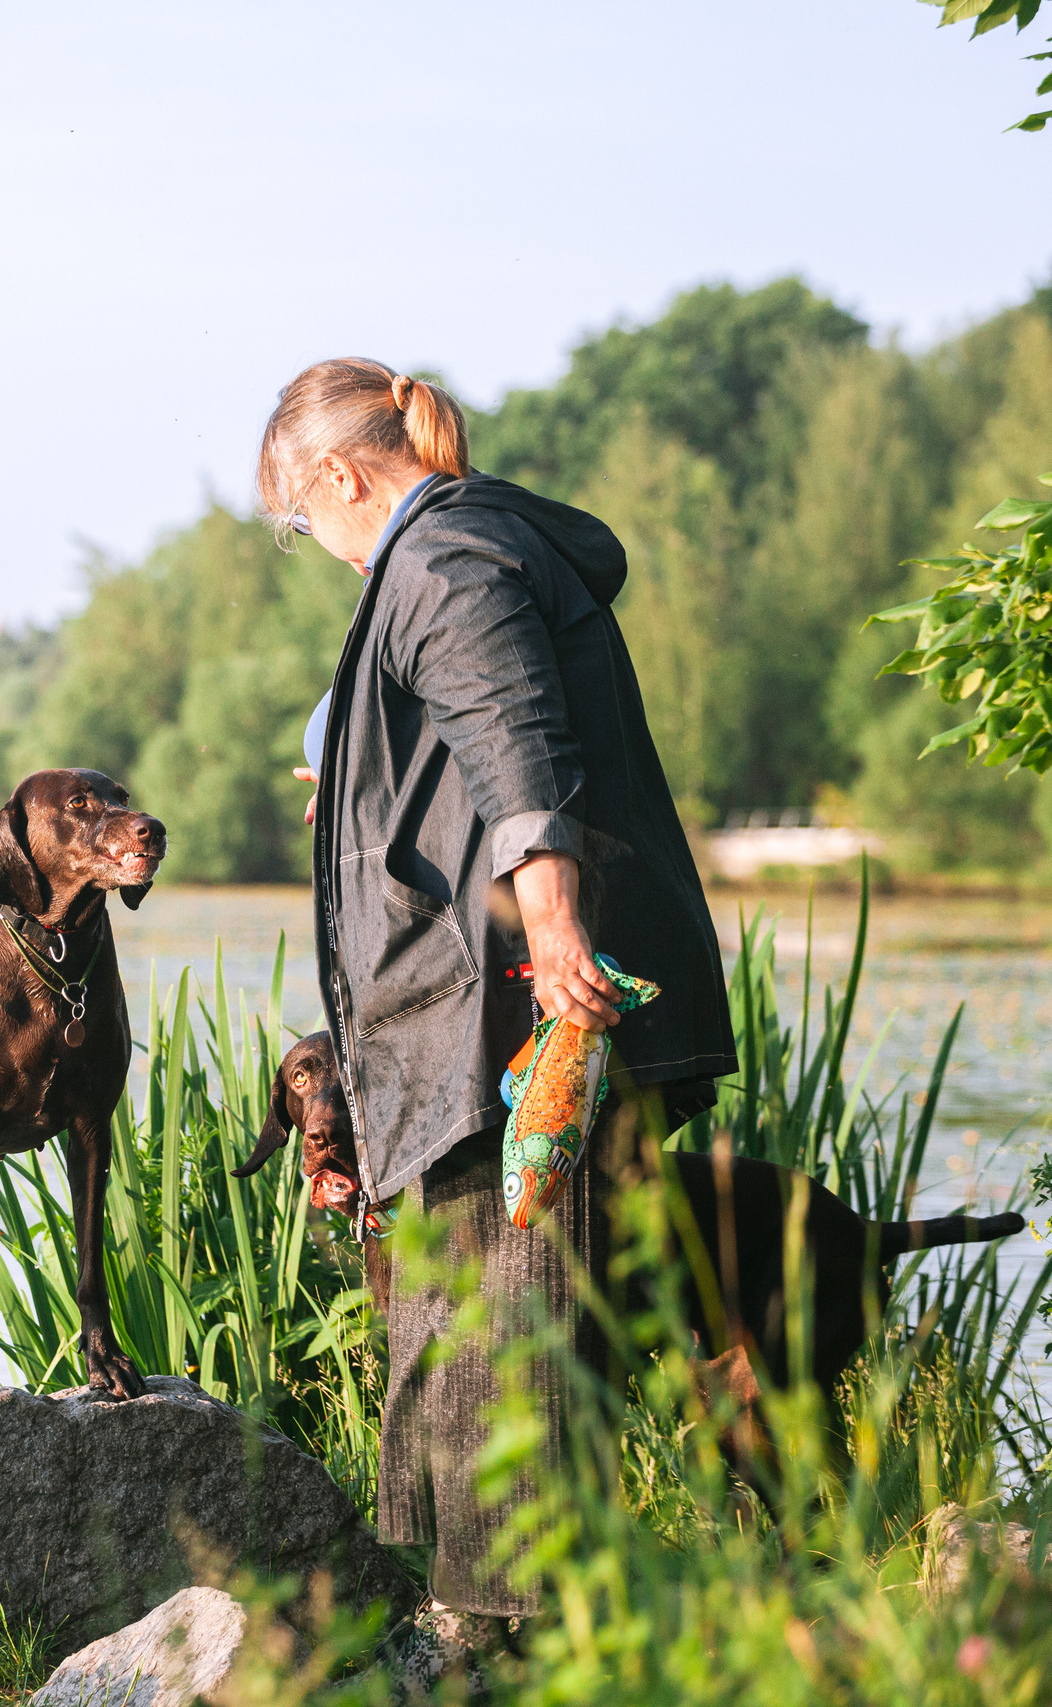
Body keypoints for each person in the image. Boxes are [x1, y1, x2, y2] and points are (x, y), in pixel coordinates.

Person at [257, 358, 736, 1667]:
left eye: (301, 521)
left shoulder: (445, 557)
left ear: (338, 476)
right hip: (467, 1011)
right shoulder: (465, 547)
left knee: (506, 1328)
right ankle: (490, 1623)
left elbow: (521, 747)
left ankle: (510, 1648)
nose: (314, 544)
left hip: (513, 1013)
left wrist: (560, 934)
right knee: (473, 1323)